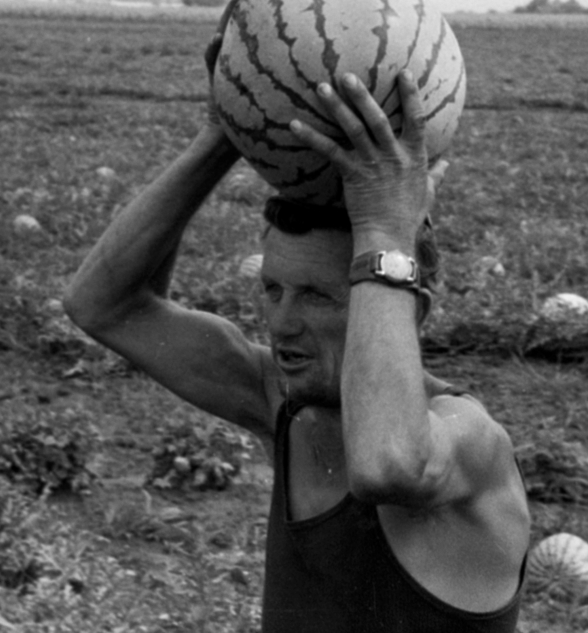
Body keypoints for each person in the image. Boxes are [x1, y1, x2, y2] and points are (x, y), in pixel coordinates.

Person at [64, 44, 530, 632]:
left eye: (317, 296)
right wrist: (222, 135)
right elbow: (105, 305)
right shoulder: (282, 400)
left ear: (408, 312)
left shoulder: (471, 443)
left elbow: (386, 466)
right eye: (273, 289)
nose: (282, 321)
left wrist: (385, 228)